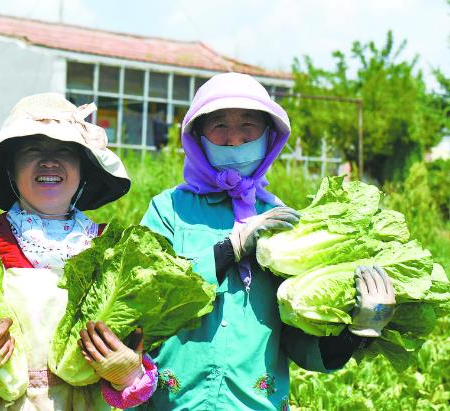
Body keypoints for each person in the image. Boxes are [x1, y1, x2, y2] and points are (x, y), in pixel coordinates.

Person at [137, 73, 397, 410]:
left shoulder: (286, 223)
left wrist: (356, 330)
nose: (234, 139)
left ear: (269, 136)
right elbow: (146, 297)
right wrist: (230, 248)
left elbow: (301, 341)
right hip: (172, 401)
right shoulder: (169, 209)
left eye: (248, 125)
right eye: (219, 126)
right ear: (198, 136)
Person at [0, 93, 158, 410]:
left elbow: (138, 348)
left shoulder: (113, 252)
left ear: (84, 170)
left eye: (65, 151)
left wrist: (129, 372)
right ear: (10, 170)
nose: (49, 161)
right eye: (32, 149)